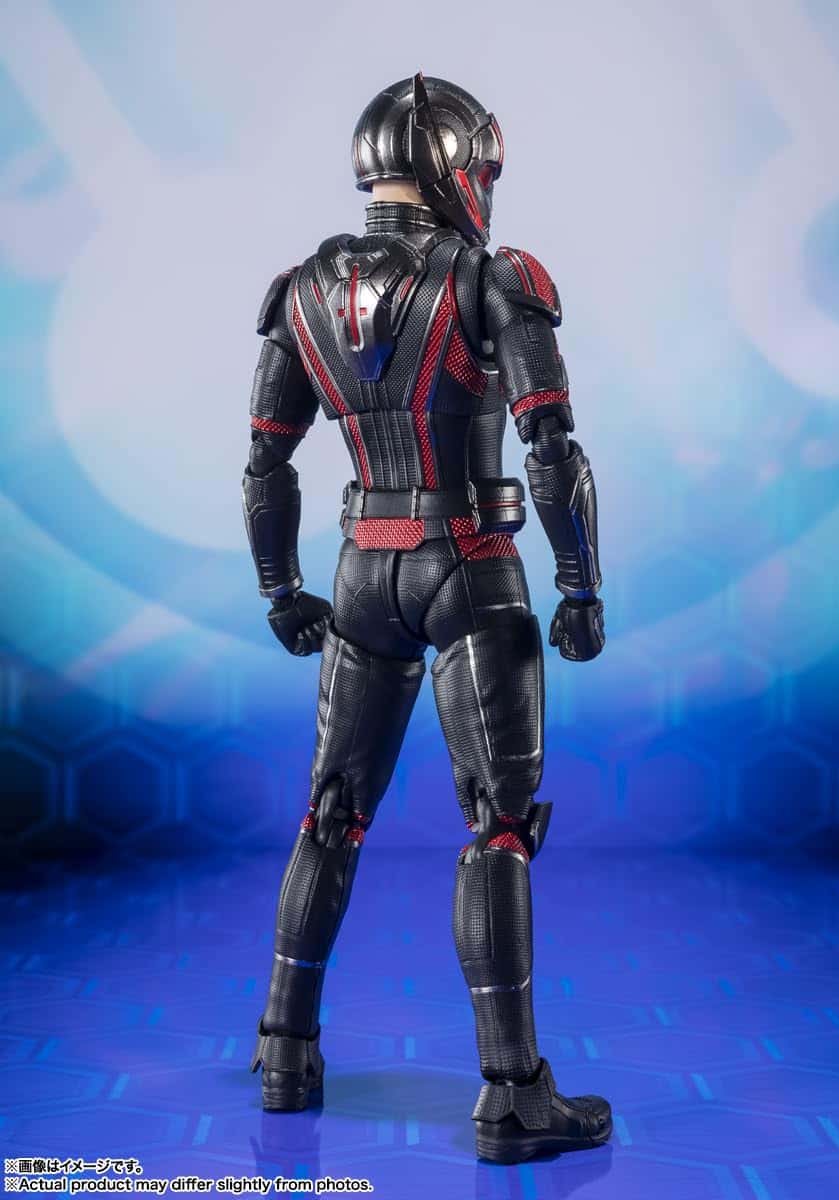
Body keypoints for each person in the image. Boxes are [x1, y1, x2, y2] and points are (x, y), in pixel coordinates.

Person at [242, 73, 610, 1164]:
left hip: (363, 568)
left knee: (331, 813)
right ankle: (512, 1095)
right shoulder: (493, 278)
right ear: (459, 166)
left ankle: (283, 1053)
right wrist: (579, 584)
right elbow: (551, 448)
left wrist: (280, 589)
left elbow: (265, 461)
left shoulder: (300, 290)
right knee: (496, 827)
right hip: (469, 563)